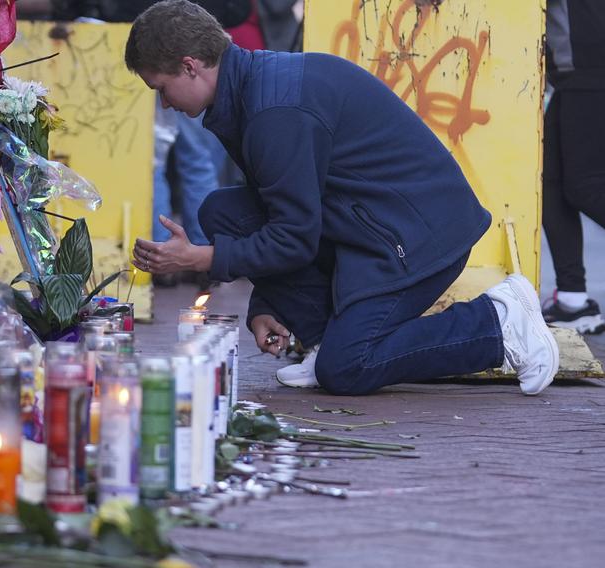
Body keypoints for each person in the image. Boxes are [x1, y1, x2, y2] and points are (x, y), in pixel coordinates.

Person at [126, 0, 560, 395]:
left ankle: (499, 324)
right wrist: (267, 306)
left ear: (190, 67)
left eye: (160, 88)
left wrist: (199, 258)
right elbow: (284, 214)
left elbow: (293, 237)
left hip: (420, 238)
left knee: (348, 367)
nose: (163, 105)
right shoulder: (251, 89)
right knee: (222, 210)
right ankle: (320, 340)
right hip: (371, 225)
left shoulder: (273, 112)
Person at [541, 0, 605, 335]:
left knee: (585, 185)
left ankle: (573, 299)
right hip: (574, 72)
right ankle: (572, 300)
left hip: (589, 66)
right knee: (547, 181)